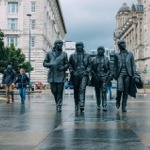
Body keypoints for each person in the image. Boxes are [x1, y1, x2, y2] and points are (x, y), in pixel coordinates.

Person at [43, 40, 69, 112]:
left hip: (61, 74)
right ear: (55, 45)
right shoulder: (49, 53)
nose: (60, 45)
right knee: (54, 91)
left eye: (61, 44)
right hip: (52, 75)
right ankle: (57, 102)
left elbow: (67, 64)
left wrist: (63, 67)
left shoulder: (64, 54)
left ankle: (59, 105)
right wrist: (51, 64)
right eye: (59, 44)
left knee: (60, 91)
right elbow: (44, 63)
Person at [113, 40, 137, 112]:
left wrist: (134, 74)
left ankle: (124, 106)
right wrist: (114, 74)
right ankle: (118, 100)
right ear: (119, 46)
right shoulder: (116, 55)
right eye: (122, 44)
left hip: (128, 74)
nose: (124, 44)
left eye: (124, 43)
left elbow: (133, 65)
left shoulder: (130, 54)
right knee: (119, 89)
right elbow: (114, 66)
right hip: (120, 74)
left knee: (126, 91)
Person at [69, 42, 91, 112]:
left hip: (83, 74)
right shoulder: (72, 55)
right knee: (76, 90)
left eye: (80, 45)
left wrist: (87, 71)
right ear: (76, 47)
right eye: (77, 46)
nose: (79, 47)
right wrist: (72, 71)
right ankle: (76, 103)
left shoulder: (87, 55)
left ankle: (82, 104)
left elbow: (90, 65)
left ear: (83, 46)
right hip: (75, 74)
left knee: (82, 89)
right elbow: (69, 65)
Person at [91, 46, 111, 111]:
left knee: (104, 91)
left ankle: (104, 105)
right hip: (96, 78)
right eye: (99, 50)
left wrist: (106, 75)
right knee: (97, 92)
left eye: (101, 50)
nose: (100, 51)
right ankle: (98, 104)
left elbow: (109, 69)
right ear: (97, 51)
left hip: (104, 77)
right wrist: (94, 75)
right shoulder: (94, 59)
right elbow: (91, 69)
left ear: (103, 51)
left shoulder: (106, 59)